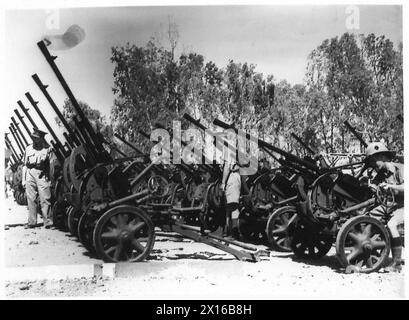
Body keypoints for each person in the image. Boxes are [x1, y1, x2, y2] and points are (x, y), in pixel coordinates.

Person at [365, 142, 404, 272]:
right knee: (367, 218)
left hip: (403, 206)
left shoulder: (401, 169)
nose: (372, 164)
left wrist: (391, 187)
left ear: (382, 157)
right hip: (388, 205)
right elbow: (372, 189)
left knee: (392, 225)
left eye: (373, 160)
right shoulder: (381, 173)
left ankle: (396, 264)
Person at [21, 128, 53, 229]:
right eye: (33, 138)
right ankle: (32, 222)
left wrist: (50, 178)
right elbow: (24, 165)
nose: (34, 140)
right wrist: (23, 179)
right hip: (30, 173)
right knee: (30, 198)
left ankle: (48, 222)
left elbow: (50, 165)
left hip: (42, 173)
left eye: (36, 138)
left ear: (41, 139)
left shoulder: (47, 149)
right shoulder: (28, 148)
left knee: (45, 198)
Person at [221, 160, 241, 238]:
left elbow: (227, 167)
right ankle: (228, 231)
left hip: (232, 177)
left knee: (233, 206)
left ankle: (233, 232)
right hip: (233, 177)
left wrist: (223, 182)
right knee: (230, 207)